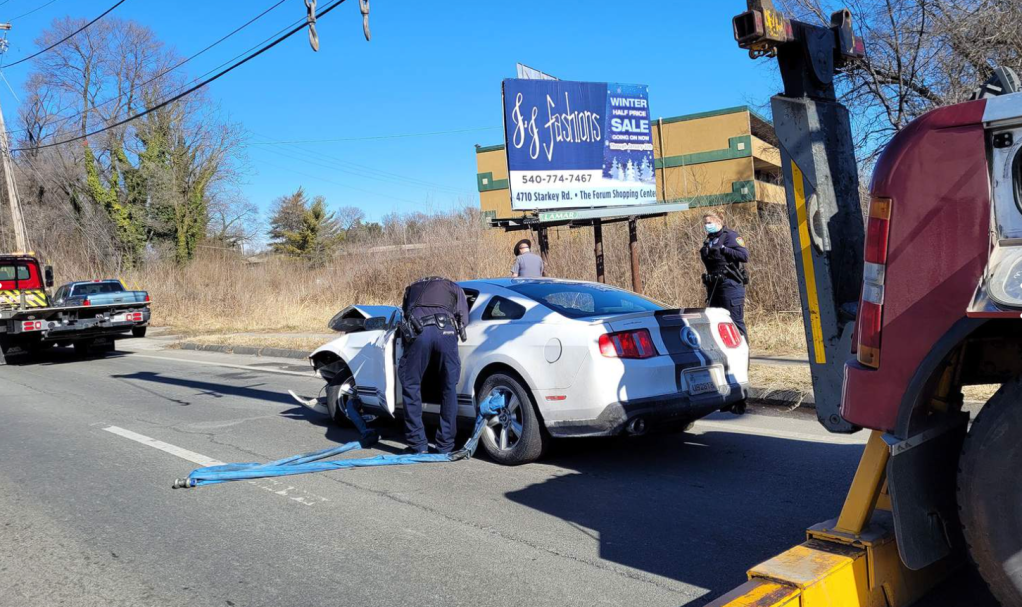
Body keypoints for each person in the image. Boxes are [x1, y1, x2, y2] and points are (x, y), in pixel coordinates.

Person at [398, 276, 470, 454]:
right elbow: (464, 318)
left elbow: (405, 314)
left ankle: (418, 445)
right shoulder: (454, 287)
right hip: (446, 331)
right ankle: (445, 445)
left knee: (411, 385)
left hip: (419, 331)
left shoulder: (411, 288)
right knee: (448, 387)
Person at [699, 212, 749, 339]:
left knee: (734, 323)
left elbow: (744, 256)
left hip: (730, 285)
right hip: (714, 286)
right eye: (705, 223)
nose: (706, 225)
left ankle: (743, 355)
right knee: (717, 324)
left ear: (719, 222)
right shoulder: (709, 240)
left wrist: (724, 249)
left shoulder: (730, 236)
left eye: (709, 222)